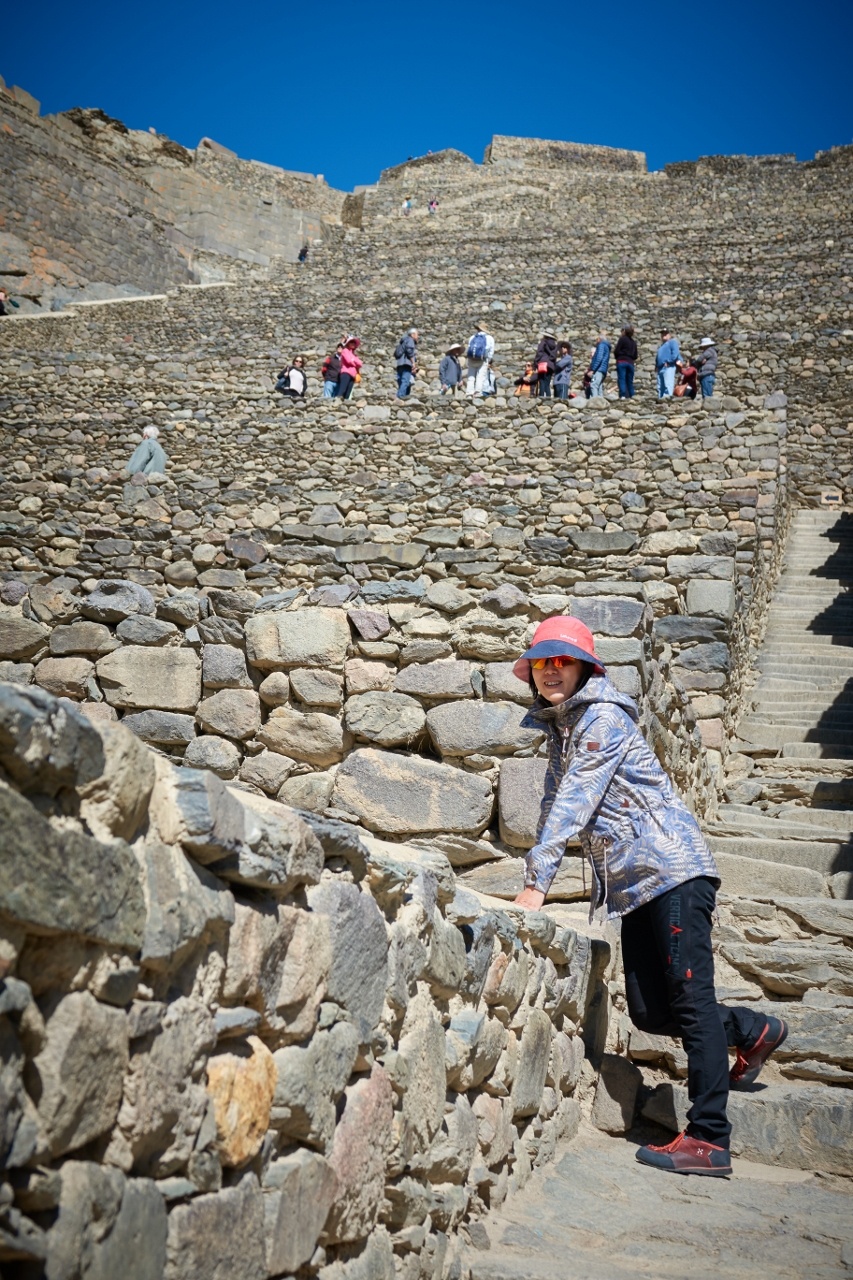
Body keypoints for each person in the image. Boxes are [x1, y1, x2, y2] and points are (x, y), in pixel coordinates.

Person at [511, 616, 789, 1178]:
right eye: (542, 661)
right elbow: (551, 801)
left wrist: (535, 884)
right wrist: (534, 866)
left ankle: (709, 1137)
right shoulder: (561, 729)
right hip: (633, 884)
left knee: (689, 1000)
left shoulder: (605, 719)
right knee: (650, 1010)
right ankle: (752, 1030)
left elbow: (576, 802)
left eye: (561, 660)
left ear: (586, 667)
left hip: (674, 870)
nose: (550, 671)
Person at [466, 323, 495, 396]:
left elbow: (469, 348)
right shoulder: (489, 338)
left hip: (471, 359)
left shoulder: (472, 337)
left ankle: (469, 393)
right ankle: (477, 392)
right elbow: (491, 352)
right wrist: (488, 360)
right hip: (482, 360)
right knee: (480, 377)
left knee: (471, 377)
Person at [656, 328, 681, 399]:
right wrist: (656, 366)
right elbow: (658, 357)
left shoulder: (672, 342)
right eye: (662, 334)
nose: (664, 335)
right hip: (660, 367)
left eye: (665, 333)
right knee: (660, 386)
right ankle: (661, 399)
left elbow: (675, 354)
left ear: (669, 335)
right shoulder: (661, 346)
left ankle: (667, 399)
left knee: (667, 384)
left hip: (668, 366)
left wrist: (669, 361)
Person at [614, 326, 638, 398]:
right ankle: (632, 395)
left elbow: (617, 350)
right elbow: (635, 355)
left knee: (622, 379)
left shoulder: (622, 339)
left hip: (622, 361)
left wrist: (618, 357)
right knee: (629, 381)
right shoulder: (633, 342)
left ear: (624, 331)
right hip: (630, 363)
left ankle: (623, 395)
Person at [534, 330, 559, 399]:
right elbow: (554, 357)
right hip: (550, 365)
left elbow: (539, 352)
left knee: (542, 381)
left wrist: (535, 363)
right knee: (547, 383)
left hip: (542, 364)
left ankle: (541, 397)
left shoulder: (543, 342)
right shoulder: (555, 345)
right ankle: (548, 397)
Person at [394, 328, 418, 398]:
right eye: (417, 334)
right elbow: (409, 350)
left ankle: (404, 396)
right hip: (406, 364)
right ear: (412, 334)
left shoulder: (403, 342)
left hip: (400, 364)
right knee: (406, 381)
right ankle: (400, 396)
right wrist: (413, 362)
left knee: (401, 381)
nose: (418, 337)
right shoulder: (410, 340)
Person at [338, 335, 362, 400]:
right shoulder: (345, 350)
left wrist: (353, 360)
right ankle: (337, 403)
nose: (353, 344)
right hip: (346, 373)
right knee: (342, 391)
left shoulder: (354, 355)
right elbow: (348, 361)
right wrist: (354, 362)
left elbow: (360, 364)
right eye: (351, 342)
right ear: (348, 343)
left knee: (347, 394)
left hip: (353, 375)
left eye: (354, 343)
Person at [587, 331, 611, 399]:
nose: (596, 341)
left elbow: (599, 358)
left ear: (599, 339)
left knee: (594, 385)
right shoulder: (606, 347)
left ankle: (594, 403)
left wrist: (593, 370)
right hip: (603, 369)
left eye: (596, 339)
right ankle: (600, 403)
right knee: (599, 387)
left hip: (598, 369)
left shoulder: (601, 345)